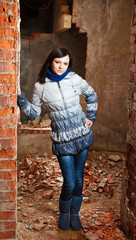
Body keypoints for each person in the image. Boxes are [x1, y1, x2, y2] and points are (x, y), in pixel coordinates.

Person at [17, 47, 98, 231]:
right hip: (62, 140)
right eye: (58, 62)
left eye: (65, 63)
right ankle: (64, 212)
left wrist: (90, 117)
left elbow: (91, 94)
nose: (61, 66)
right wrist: (20, 97)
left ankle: (75, 213)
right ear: (51, 61)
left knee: (78, 179)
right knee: (69, 182)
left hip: (82, 135)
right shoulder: (40, 86)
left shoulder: (74, 79)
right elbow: (34, 114)